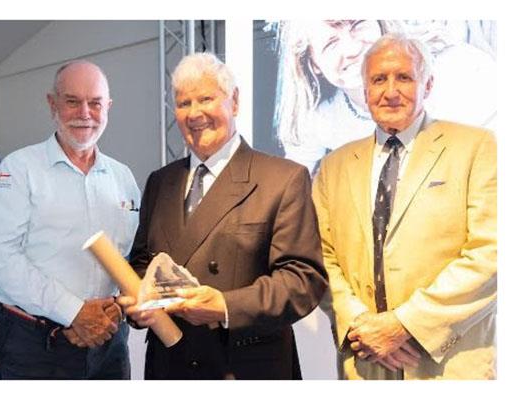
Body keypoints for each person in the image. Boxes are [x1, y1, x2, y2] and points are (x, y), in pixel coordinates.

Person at [119, 52, 328, 379]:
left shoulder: (282, 179)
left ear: (235, 102)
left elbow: (302, 281)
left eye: (205, 98)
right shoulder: (160, 182)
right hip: (171, 364)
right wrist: (138, 302)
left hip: (245, 366)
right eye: (183, 103)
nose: (194, 113)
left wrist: (225, 306)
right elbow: (143, 261)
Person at [311, 33, 496, 379]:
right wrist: (360, 326)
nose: (390, 91)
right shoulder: (333, 167)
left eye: (404, 77)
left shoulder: (477, 147)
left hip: (449, 366)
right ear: (365, 91)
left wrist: (405, 325)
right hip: (365, 364)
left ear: (428, 85)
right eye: (378, 79)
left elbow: (492, 253)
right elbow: (322, 257)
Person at [0, 60, 140, 379]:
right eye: (72, 101)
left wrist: (117, 307)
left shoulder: (123, 177)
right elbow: (0, 259)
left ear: (108, 107)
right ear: (52, 103)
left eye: (95, 103)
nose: (85, 113)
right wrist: (74, 312)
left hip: (109, 343)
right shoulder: (19, 168)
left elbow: (131, 257)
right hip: (37, 345)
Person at [273, 20, 496, 174]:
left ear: (380, 23)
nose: (351, 49)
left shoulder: (461, 69)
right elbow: (291, 183)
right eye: (331, 43)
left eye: (358, 24)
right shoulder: (320, 118)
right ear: (313, 63)